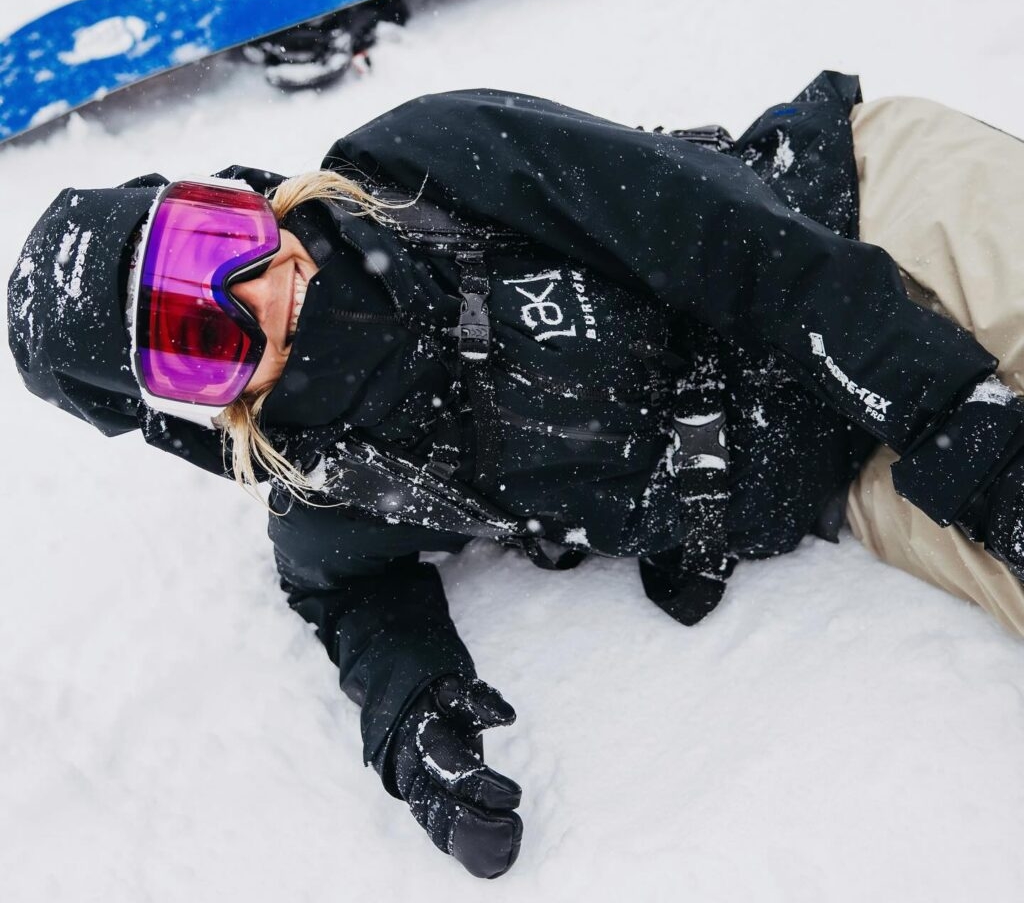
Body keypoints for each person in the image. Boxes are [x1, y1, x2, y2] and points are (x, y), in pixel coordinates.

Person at [8, 71, 1024, 879]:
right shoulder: (335, 473)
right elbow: (346, 587)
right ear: (189, 406)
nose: (255, 292)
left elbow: (729, 242)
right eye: (198, 337)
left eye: (212, 241)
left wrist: (965, 433)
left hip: (853, 219)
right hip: (836, 461)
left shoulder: (423, 165)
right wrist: (415, 719)